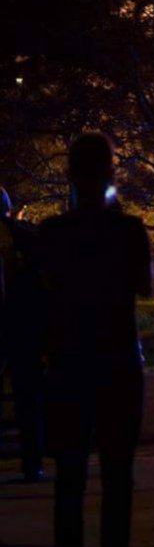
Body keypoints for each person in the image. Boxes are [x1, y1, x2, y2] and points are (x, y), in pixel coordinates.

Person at [38, 133, 151, 547]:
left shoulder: (52, 234)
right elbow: (143, 284)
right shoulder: (128, 231)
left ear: (69, 175)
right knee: (117, 478)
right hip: (119, 364)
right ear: (111, 173)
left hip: (69, 364)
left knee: (69, 479)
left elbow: (44, 292)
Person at [0, 186, 45, 482]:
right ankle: (32, 462)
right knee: (28, 399)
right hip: (22, 329)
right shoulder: (25, 238)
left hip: (16, 328)